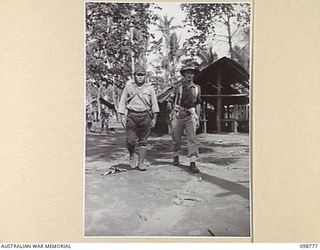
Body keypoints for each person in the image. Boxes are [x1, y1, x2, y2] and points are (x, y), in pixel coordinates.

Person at [118, 64, 160, 171]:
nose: (140, 77)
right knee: (130, 140)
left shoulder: (149, 88)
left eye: (142, 75)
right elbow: (122, 101)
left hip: (145, 116)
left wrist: (154, 118)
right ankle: (132, 155)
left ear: (145, 76)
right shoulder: (129, 87)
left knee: (143, 141)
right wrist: (122, 116)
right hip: (132, 116)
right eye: (138, 75)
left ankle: (141, 162)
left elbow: (154, 103)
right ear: (134, 76)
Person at [168, 61, 201, 173]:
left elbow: (198, 103)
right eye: (187, 73)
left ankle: (192, 162)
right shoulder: (178, 87)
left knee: (192, 139)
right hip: (178, 115)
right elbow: (170, 101)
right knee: (176, 138)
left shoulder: (197, 88)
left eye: (191, 73)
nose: (189, 75)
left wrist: (197, 117)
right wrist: (172, 113)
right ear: (184, 74)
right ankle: (176, 156)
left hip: (191, 115)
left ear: (194, 75)